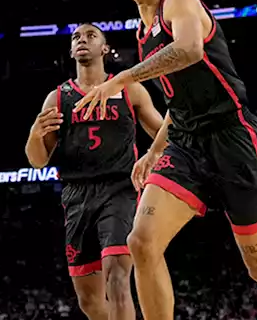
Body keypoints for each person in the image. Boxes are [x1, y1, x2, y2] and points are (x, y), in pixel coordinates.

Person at [75, 0, 257, 320]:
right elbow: (180, 103)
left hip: (233, 138)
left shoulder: (180, 1)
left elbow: (188, 50)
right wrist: (155, 148)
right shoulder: (143, 35)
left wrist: (122, 79)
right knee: (141, 242)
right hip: (187, 145)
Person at [26, 23, 163, 320]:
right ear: (71, 50)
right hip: (76, 195)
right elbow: (38, 161)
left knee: (117, 278)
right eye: (76, 37)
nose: (82, 40)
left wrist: (157, 157)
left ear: (104, 48)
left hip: (120, 190)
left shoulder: (129, 89)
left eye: (90, 36)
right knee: (88, 300)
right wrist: (35, 135)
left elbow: (163, 134)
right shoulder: (58, 97)